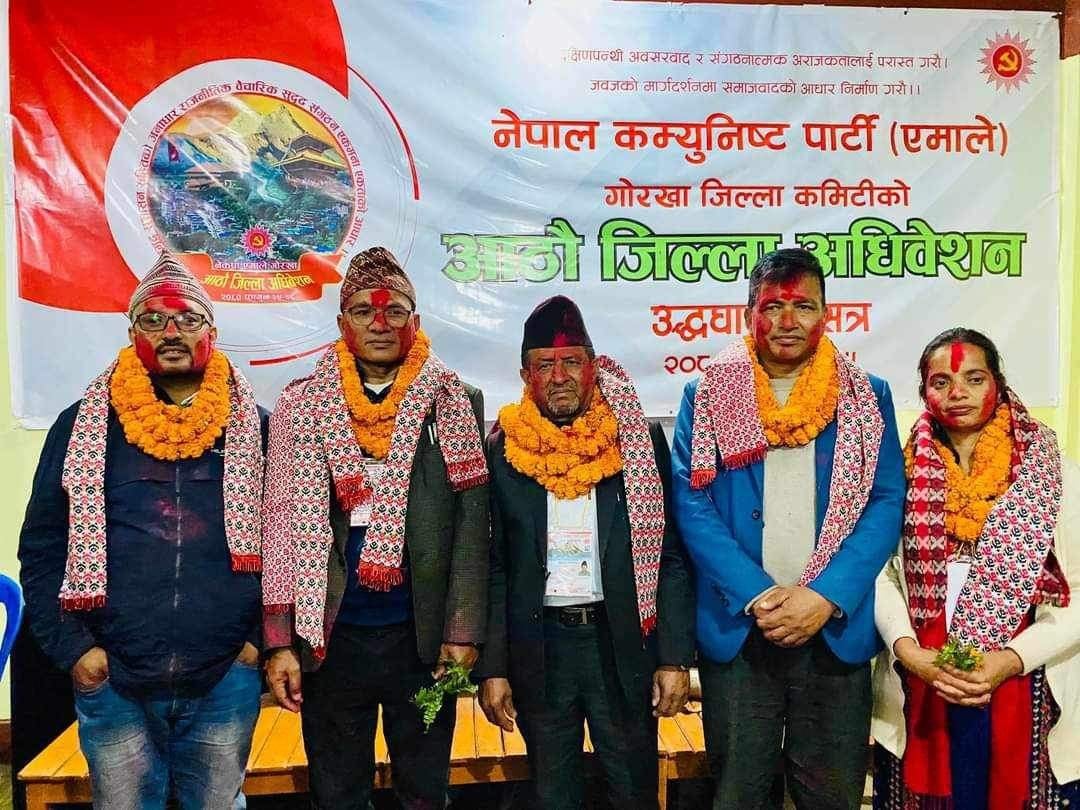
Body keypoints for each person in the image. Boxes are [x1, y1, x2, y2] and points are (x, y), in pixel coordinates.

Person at [18, 253, 266, 809]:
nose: (171, 331)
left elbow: (290, 543)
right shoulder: (80, 426)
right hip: (114, 679)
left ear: (211, 332)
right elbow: (43, 546)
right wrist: (76, 651)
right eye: (153, 319)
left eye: (187, 318)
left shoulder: (258, 428)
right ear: (132, 334)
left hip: (224, 675)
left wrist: (256, 645)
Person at [670, 248, 905, 810]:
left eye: (803, 306)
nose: (787, 320)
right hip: (740, 630)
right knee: (739, 793)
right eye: (772, 306)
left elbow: (885, 501)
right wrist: (758, 595)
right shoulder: (710, 393)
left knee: (830, 795)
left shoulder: (865, 395)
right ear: (748, 313)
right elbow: (691, 501)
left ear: (827, 314)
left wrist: (825, 596)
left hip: (833, 629)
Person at [261, 246, 490, 810]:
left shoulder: (453, 401)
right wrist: (280, 642)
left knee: (424, 791)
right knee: (337, 793)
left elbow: (471, 529)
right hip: (330, 637)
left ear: (416, 321)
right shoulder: (300, 405)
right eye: (364, 311)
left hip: (422, 638)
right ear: (343, 323)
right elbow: (279, 528)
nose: (380, 323)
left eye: (394, 311)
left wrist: (462, 632)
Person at [477, 295, 695, 810]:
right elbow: (495, 567)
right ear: (525, 375)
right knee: (553, 795)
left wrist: (673, 658)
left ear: (593, 367)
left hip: (618, 643)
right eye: (544, 365)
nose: (559, 377)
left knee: (632, 790)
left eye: (572, 362)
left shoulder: (636, 440)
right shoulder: (503, 450)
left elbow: (669, 556)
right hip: (541, 649)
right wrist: (494, 668)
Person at [872, 327, 1080, 809]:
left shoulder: (1053, 473)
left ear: (998, 384)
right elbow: (881, 576)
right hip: (923, 677)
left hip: (1028, 678)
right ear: (923, 391)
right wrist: (908, 650)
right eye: (941, 381)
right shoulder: (899, 473)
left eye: (974, 378)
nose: (958, 392)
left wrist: (1008, 660)